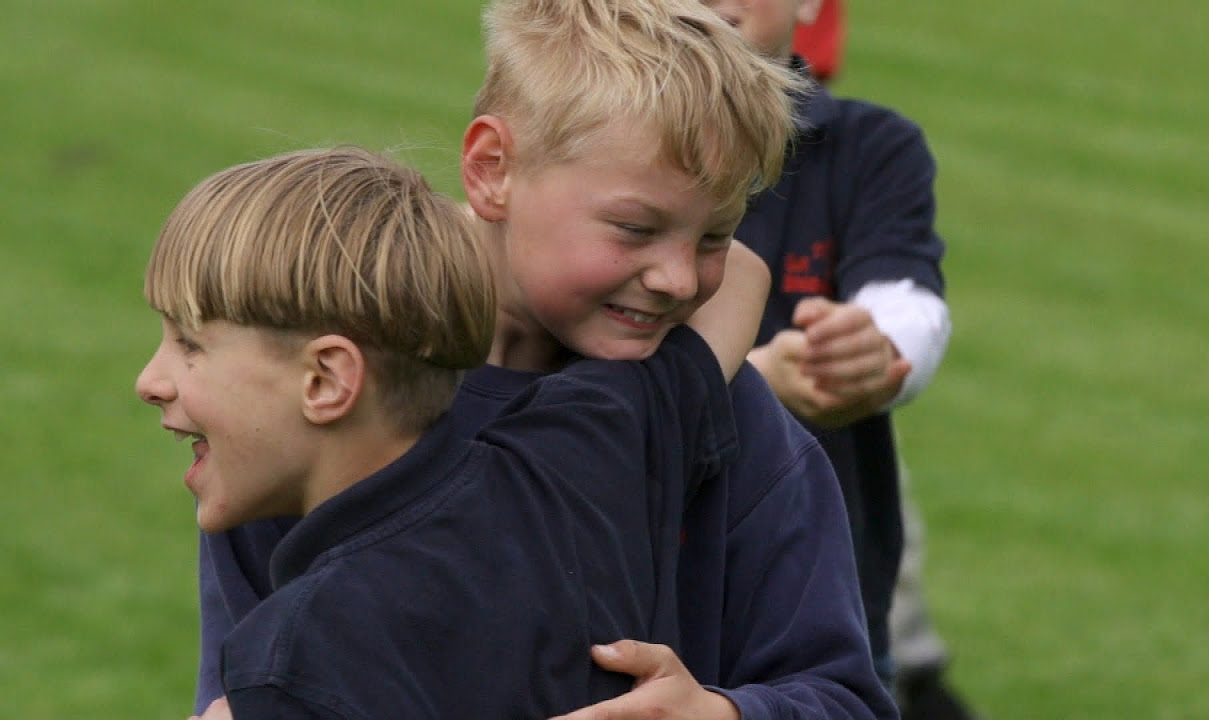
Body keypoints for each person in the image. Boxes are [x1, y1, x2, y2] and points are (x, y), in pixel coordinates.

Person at [191, 2, 899, 720]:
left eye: (714, 237)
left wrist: (722, 714)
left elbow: (847, 698)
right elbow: (241, 686)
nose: (679, 279)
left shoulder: (736, 423)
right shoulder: (325, 402)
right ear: (492, 168)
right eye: (635, 228)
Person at [138, 145, 774, 719]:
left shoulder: (294, 663)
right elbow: (740, 276)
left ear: (327, 381)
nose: (150, 380)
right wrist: (426, 267)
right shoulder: (579, 456)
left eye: (189, 344)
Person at [787, 3, 989, 717]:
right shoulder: (592, 145)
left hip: (820, 616)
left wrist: (876, 351)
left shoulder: (868, 149)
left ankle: (919, 669)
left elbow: (908, 301)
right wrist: (754, 382)